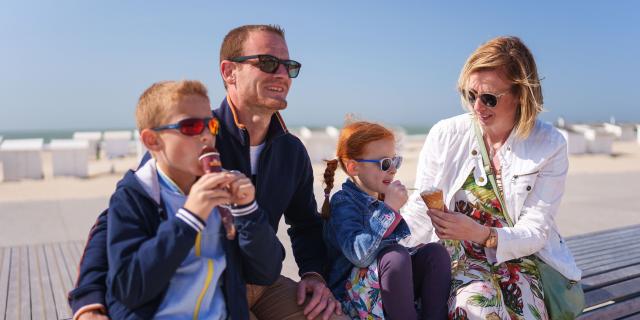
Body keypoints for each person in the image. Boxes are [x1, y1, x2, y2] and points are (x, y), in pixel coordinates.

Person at [68, 24, 345, 320]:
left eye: (288, 66)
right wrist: (89, 303)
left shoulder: (292, 151)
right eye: (267, 63)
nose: (281, 74)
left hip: (263, 280)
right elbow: (112, 222)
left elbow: (304, 225)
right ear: (229, 72)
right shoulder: (192, 135)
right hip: (205, 280)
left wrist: (314, 275)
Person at [401, 36, 582, 319]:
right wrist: (386, 249)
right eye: (470, 95)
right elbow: (420, 207)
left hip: (519, 259)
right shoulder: (445, 134)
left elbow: (536, 231)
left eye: (489, 98)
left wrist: (481, 234)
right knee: (475, 309)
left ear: (521, 94)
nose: (477, 107)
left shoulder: (549, 144)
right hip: (457, 259)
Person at [105, 80, 283, 319]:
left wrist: (247, 212)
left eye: (211, 125)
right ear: (152, 141)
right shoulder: (135, 197)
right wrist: (189, 218)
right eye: (190, 127)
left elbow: (266, 271)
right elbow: (129, 288)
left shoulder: (224, 192)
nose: (206, 136)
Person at [321, 121, 451, 319]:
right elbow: (360, 256)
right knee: (396, 256)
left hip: (380, 286)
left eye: (395, 161)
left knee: (435, 253)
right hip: (350, 296)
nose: (393, 170)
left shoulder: (379, 196)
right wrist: (389, 209)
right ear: (354, 167)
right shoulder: (344, 203)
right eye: (385, 164)